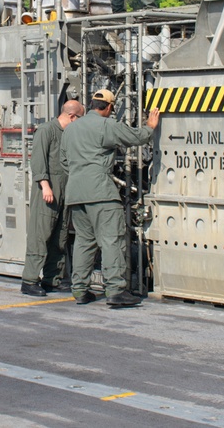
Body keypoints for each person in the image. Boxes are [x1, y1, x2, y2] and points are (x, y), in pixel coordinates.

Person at [61, 89, 160, 308]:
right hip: (100, 191)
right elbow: (135, 137)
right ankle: (115, 290)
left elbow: (63, 161)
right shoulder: (106, 125)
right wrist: (150, 126)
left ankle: (79, 290)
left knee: (84, 242)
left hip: (76, 192)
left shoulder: (71, 128)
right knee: (111, 239)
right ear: (108, 107)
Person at [21, 100, 86, 296]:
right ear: (72, 116)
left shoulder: (69, 134)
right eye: (80, 118)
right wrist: (45, 185)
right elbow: (38, 160)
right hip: (48, 190)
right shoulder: (46, 130)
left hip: (65, 190)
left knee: (60, 235)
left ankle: (53, 279)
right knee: (40, 235)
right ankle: (29, 280)